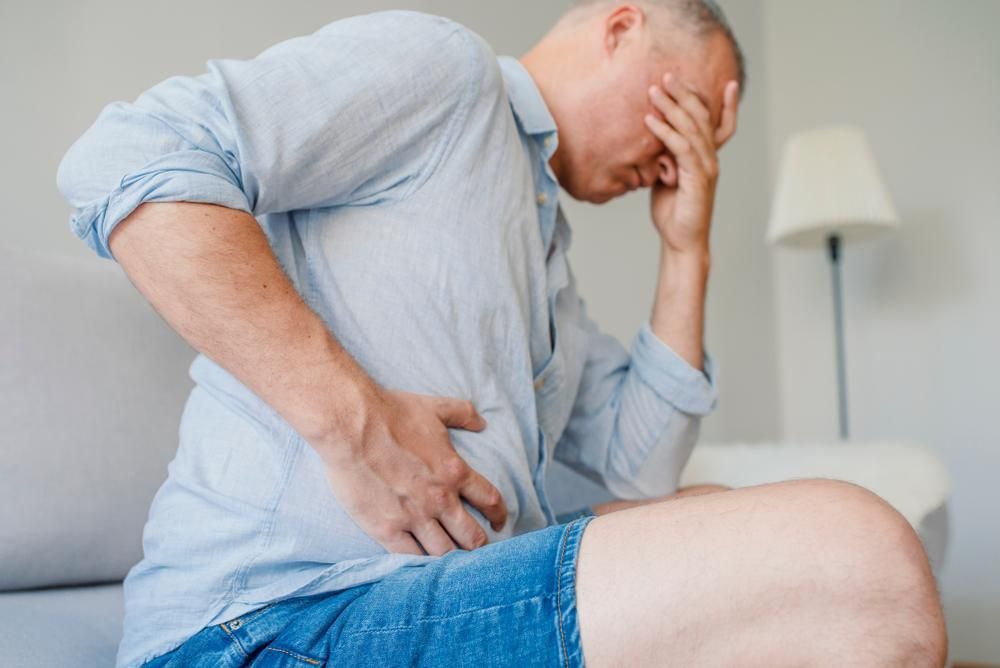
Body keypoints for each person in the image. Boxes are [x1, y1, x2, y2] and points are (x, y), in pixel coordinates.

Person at [56, 1, 946, 666]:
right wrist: (348, 414)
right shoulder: (449, 75)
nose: (686, 158)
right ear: (623, 26)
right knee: (861, 555)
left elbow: (642, 469)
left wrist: (687, 247)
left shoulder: (544, 257)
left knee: (720, 517)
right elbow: (126, 156)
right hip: (262, 626)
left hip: (408, 608)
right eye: (692, 116)